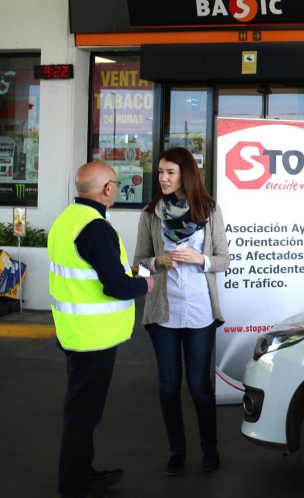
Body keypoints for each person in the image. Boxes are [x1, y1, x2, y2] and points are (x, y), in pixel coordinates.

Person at [50, 162, 155, 498]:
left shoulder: (68, 219)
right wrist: (145, 283)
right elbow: (116, 286)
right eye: (116, 183)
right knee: (83, 416)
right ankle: (75, 487)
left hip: (75, 333)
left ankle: (81, 474)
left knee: (81, 411)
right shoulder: (96, 227)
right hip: (93, 338)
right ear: (108, 189)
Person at [133, 146, 230, 476]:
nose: (162, 178)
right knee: (168, 385)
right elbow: (137, 265)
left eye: (169, 172)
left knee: (200, 385)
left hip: (200, 310)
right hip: (164, 311)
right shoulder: (151, 215)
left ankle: (209, 448)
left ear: (185, 174)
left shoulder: (210, 211)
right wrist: (156, 262)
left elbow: (225, 261)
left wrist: (200, 259)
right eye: (160, 172)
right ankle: (177, 450)